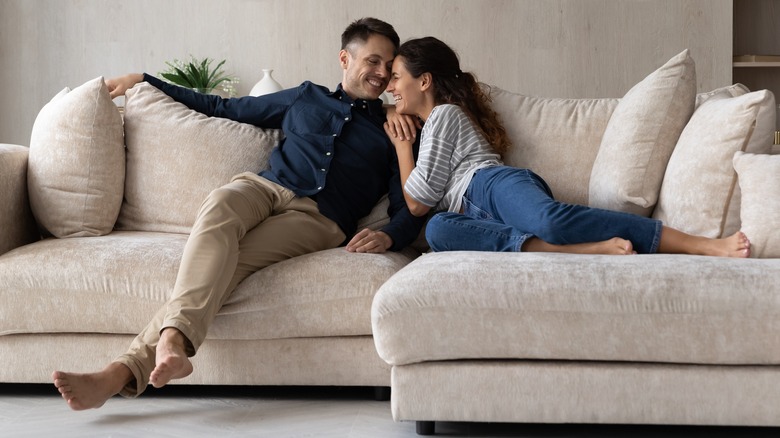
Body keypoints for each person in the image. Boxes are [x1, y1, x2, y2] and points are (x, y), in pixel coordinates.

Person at [52, 17, 426, 410]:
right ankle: (169, 344)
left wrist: (391, 235)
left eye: (388, 66)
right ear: (345, 59)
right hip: (263, 188)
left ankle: (125, 370)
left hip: (318, 219)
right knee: (219, 204)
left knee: (229, 265)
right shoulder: (304, 97)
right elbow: (222, 106)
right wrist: (145, 79)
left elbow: (409, 203)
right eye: (373, 61)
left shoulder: (394, 129)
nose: (382, 73)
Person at [383, 36, 751, 258]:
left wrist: (403, 146)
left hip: (492, 186)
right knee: (437, 232)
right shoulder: (429, 127)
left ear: (425, 80)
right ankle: (574, 251)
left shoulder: (444, 115)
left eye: (396, 77)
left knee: (550, 221)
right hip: (473, 213)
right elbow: (423, 207)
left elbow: (417, 201)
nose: (391, 87)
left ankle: (700, 245)